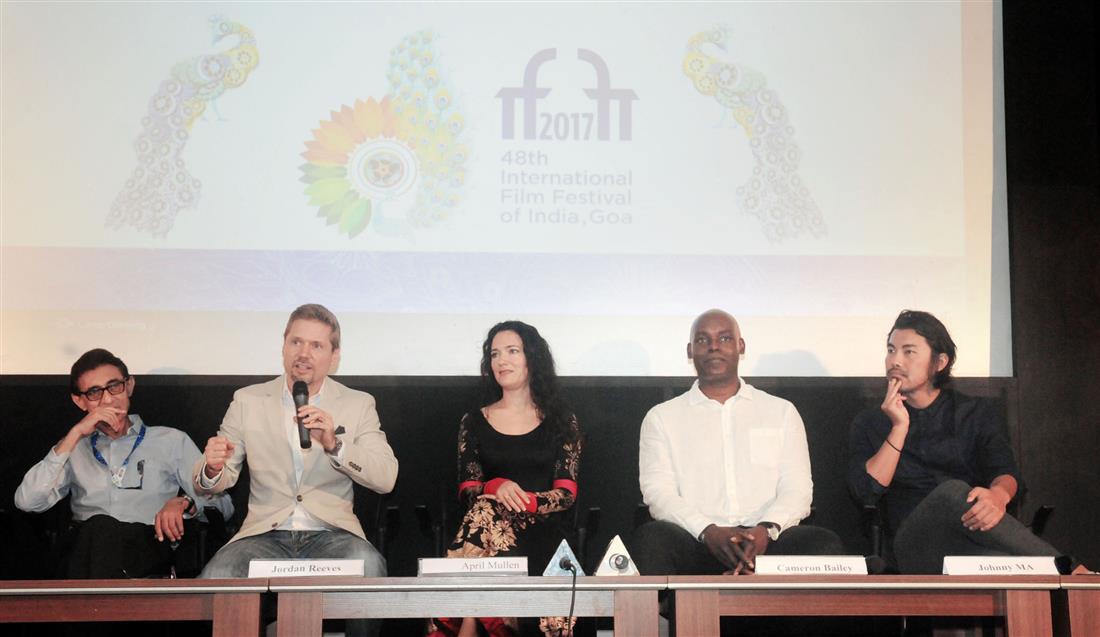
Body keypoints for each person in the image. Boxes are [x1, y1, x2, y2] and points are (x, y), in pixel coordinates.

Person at [194, 304, 399, 635]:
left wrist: (335, 445)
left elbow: (386, 478)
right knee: (215, 575)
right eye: (296, 342)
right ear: (283, 345)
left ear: (334, 356)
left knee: (371, 567)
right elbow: (217, 479)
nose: (303, 354)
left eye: (316, 346)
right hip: (264, 535)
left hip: (332, 535)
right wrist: (212, 467)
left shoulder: (357, 403)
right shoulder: (248, 400)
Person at [848, 309, 1089, 574]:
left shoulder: (974, 413)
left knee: (1012, 565)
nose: (895, 361)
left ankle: (1068, 581)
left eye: (908, 352)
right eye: (891, 350)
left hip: (969, 537)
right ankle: (1075, 572)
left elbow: (1007, 475)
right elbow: (867, 491)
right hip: (912, 547)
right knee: (952, 492)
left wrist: (997, 496)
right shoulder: (871, 422)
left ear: (939, 362)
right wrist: (899, 426)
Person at [632, 309, 844, 576]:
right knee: (652, 540)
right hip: (698, 542)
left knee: (823, 545)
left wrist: (764, 531)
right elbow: (659, 493)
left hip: (767, 542)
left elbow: (798, 488)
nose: (713, 347)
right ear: (690, 351)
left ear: (740, 346)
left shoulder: (781, 412)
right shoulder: (662, 417)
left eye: (724, 338)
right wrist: (709, 532)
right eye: (702, 340)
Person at [14, 348, 233, 579]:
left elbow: (224, 506)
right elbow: (27, 501)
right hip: (86, 552)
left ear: (129, 386)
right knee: (97, 528)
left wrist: (184, 502)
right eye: (94, 392)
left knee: (103, 530)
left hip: (148, 547)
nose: (107, 399)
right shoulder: (74, 448)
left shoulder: (170, 440)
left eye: (115, 386)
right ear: (80, 402)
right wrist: (75, 434)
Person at [428, 321, 583, 637]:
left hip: (543, 531)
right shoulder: (473, 421)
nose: (502, 361)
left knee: (486, 513)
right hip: (486, 528)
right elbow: (468, 490)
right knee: (485, 509)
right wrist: (494, 487)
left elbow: (566, 495)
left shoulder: (562, 420)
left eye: (512, 351)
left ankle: (464, 622)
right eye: (495, 354)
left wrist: (523, 500)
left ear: (532, 358)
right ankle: (487, 622)